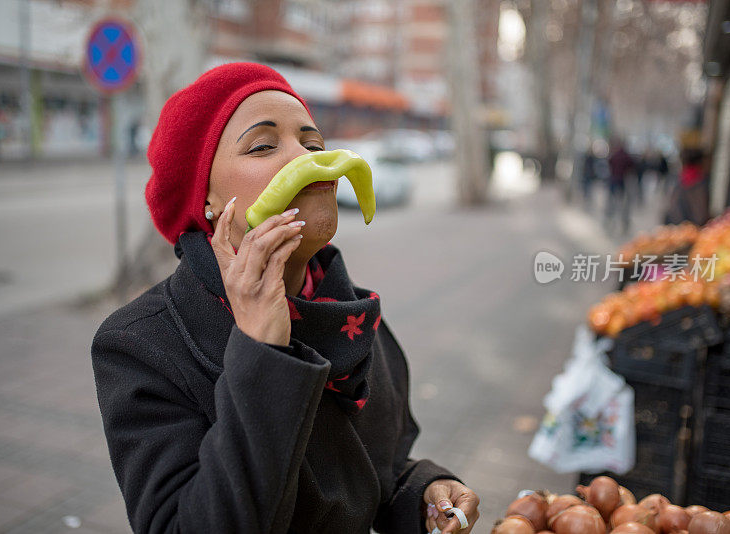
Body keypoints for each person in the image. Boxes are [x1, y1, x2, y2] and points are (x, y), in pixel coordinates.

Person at [91, 63, 480, 534]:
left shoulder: (348, 314)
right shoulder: (142, 343)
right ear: (208, 201)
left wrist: (422, 492)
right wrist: (261, 351)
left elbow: (379, 469)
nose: (306, 159)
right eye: (263, 145)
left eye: (313, 143)